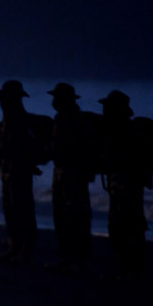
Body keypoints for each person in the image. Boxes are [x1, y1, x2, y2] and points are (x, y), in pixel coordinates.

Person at [45, 83, 96, 272]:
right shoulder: (61, 119)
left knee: (76, 216)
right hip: (61, 173)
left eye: (57, 98)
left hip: (73, 174)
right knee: (62, 216)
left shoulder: (77, 121)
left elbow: (85, 150)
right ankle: (68, 256)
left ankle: (78, 258)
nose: (54, 101)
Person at [98, 90, 148, 279]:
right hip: (118, 186)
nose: (104, 110)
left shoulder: (129, 132)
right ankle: (124, 265)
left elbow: (131, 161)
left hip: (127, 187)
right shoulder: (116, 130)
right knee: (118, 226)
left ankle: (132, 267)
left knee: (130, 226)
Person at [0, 80, 41, 263]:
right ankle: (15, 246)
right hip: (9, 171)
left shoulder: (19, 119)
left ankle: (24, 249)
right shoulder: (9, 118)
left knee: (22, 209)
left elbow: (23, 147)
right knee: (11, 208)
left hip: (18, 171)